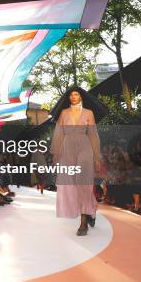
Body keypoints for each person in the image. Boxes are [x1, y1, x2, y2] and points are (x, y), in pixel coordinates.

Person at [50, 86, 106, 236]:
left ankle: (83, 224)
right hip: (67, 149)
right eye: (71, 95)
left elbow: (93, 135)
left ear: (81, 97)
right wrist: (56, 155)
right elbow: (58, 134)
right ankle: (91, 209)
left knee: (84, 184)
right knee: (72, 185)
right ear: (68, 98)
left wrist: (97, 157)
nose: (74, 96)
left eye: (77, 94)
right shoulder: (63, 113)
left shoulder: (89, 113)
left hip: (84, 148)